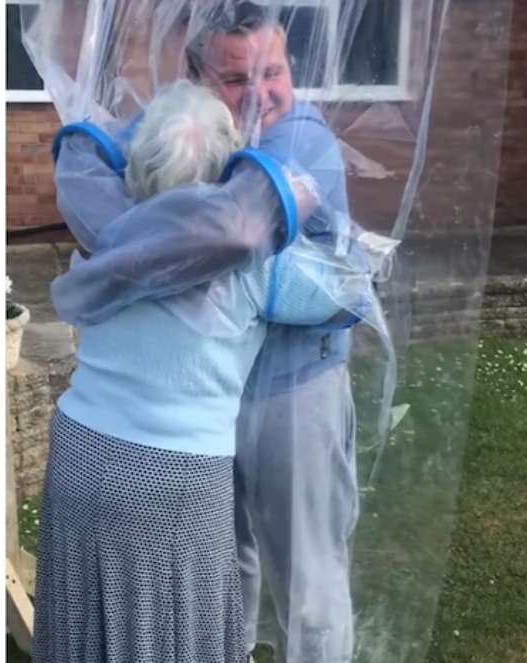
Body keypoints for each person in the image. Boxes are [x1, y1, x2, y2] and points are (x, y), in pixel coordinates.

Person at [32, 79, 374, 663]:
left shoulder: (104, 240)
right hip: (173, 481)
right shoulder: (262, 269)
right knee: (171, 634)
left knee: (87, 622)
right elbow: (354, 294)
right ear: (225, 175)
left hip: (80, 452)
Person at [186, 5, 359, 660]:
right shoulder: (205, 133)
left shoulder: (301, 139)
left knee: (310, 582)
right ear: (199, 80)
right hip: (216, 388)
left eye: (274, 70)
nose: (261, 93)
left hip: (294, 390)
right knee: (226, 570)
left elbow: (230, 233)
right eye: (235, 79)